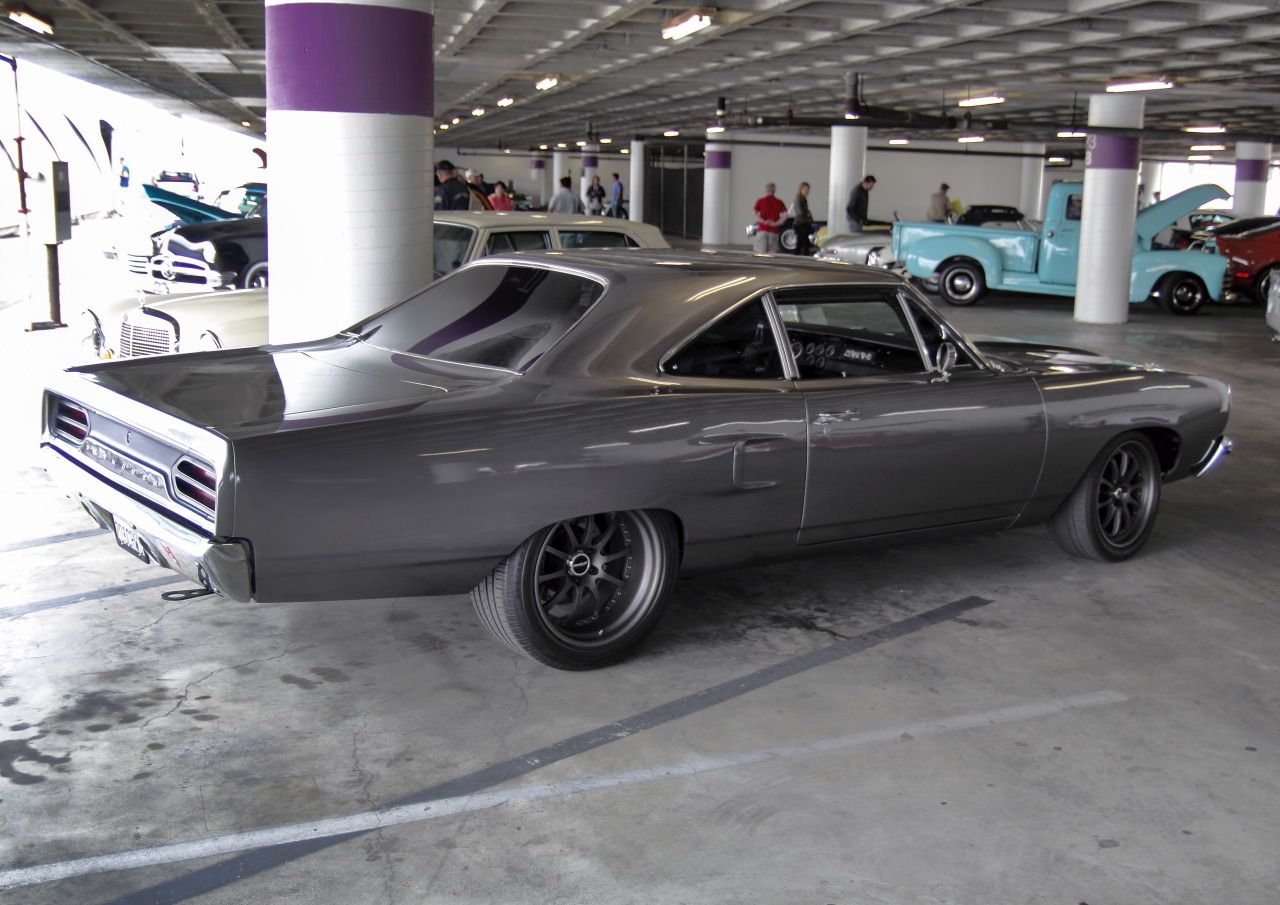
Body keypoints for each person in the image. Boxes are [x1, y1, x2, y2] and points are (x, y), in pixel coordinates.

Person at [752, 182, 788, 253]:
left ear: (765, 191)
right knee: (772, 252)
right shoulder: (779, 202)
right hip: (774, 231)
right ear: (774, 191)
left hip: (762, 229)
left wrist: (763, 221)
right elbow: (785, 215)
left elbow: (754, 213)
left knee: (760, 252)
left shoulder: (760, 201)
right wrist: (776, 223)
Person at [791, 182, 814, 255]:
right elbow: (800, 212)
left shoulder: (803, 199)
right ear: (801, 189)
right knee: (805, 242)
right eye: (806, 189)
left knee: (800, 243)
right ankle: (804, 256)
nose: (807, 191)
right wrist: (807, 213)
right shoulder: (799, 199)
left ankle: (796, 256)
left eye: (808, 190)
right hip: (800, 224)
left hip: (802, 223)